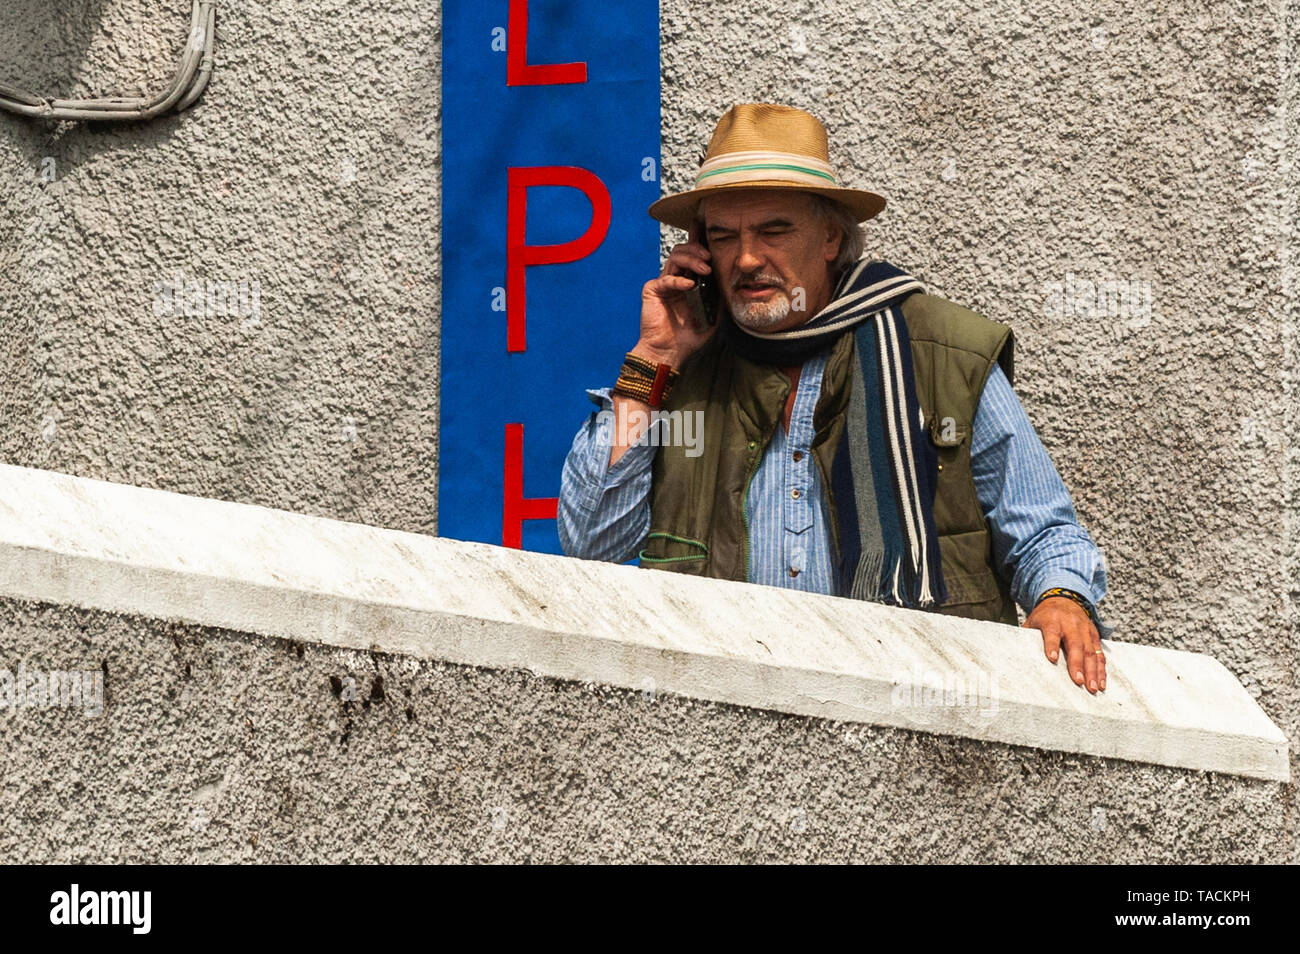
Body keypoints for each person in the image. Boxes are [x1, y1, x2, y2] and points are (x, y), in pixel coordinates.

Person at [558, 103, 1112, 694]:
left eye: (773, 230)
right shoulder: (686, 380)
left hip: (908, 726)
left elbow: (1044, 531)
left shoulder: (941, 356)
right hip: (720, 721)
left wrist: (1060, 597)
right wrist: (654, 361)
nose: (746, 259)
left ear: (829, 237)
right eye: (724, 236)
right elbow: (591, 545)